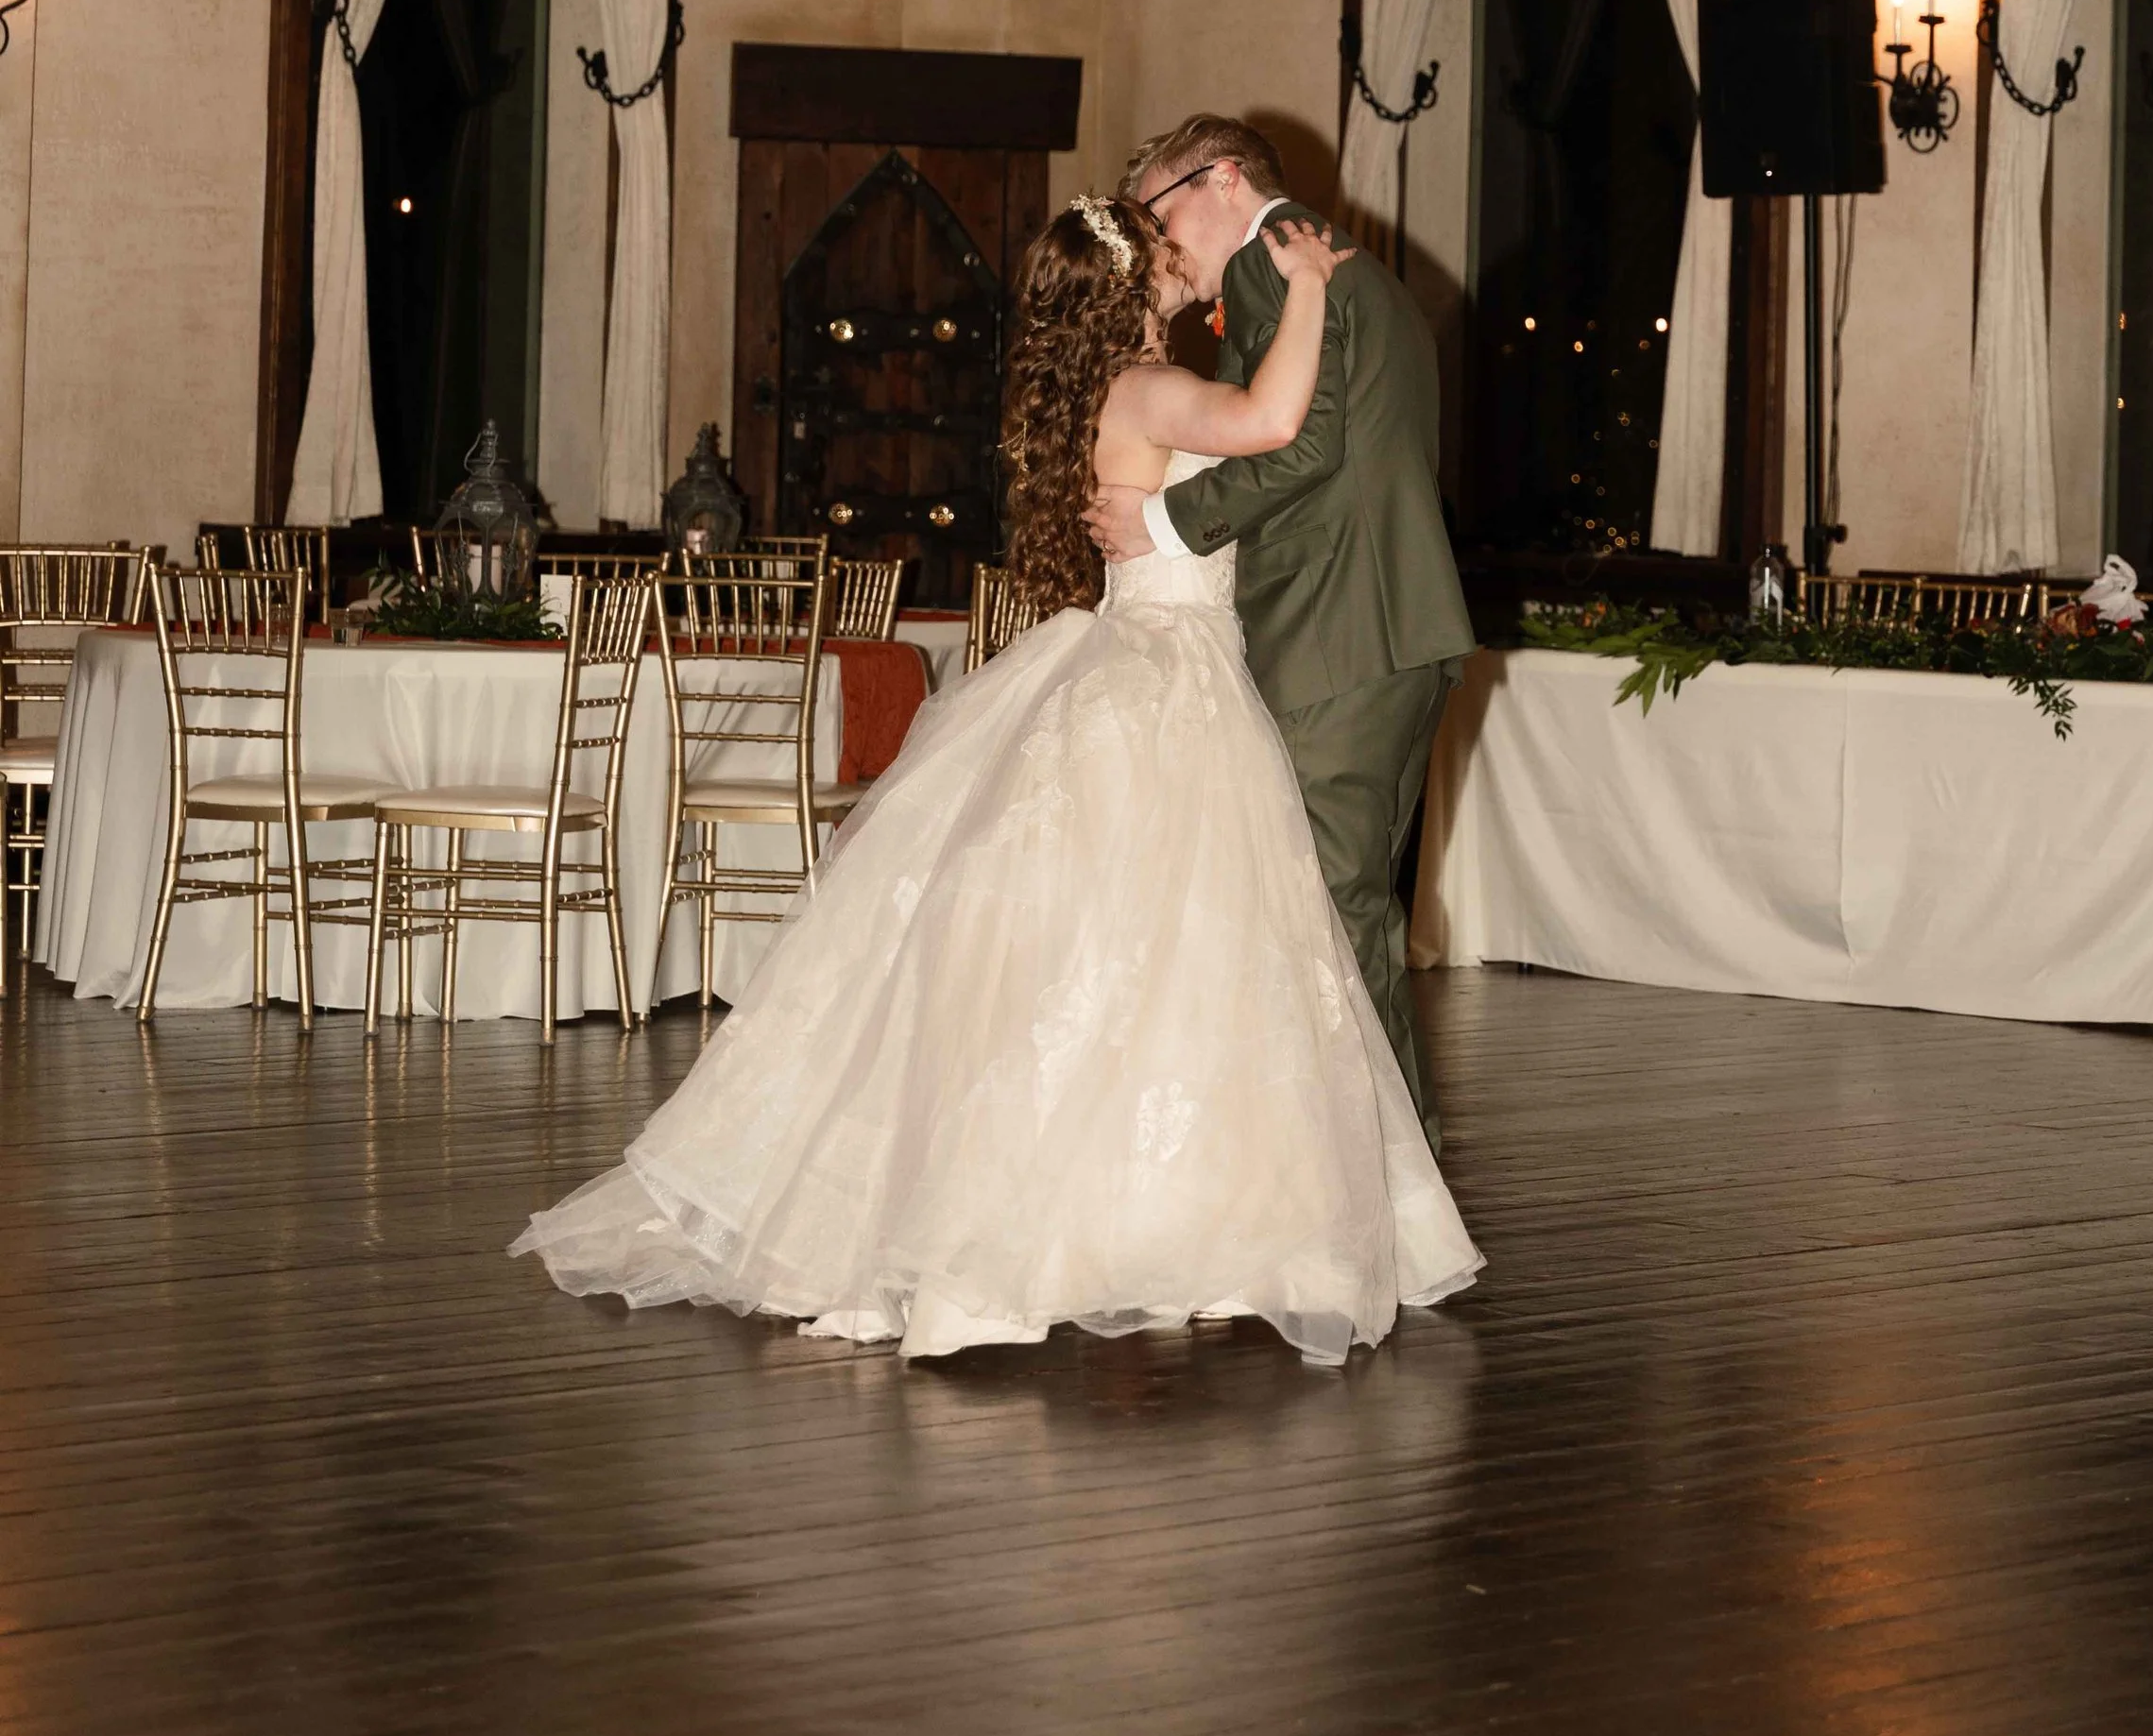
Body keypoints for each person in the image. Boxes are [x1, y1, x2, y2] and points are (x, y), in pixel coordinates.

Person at [513, 192, 1479, 1366]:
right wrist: (1315, 285)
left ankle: (1152, 1222)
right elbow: (1277, 422)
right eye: (1163, 254)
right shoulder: (1151, 389)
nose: (1183, 263)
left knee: (1143, 963)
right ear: (1132, 290)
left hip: (1149, 663)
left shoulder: (1106, 391)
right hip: (1171, 681)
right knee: (1175, 955)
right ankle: (1139, 1230)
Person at [1087, 118, 1471, 1154]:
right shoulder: (1339, 264)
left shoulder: (1275, 264)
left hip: (1338, 628)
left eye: (1157, 215)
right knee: (1345, 908)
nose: (1156, 244)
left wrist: (1161, 523)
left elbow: (1296, 446)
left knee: (1331, 909)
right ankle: (1385, 1162)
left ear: (1220, 180)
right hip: (1379, 623)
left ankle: (1389, 1170)